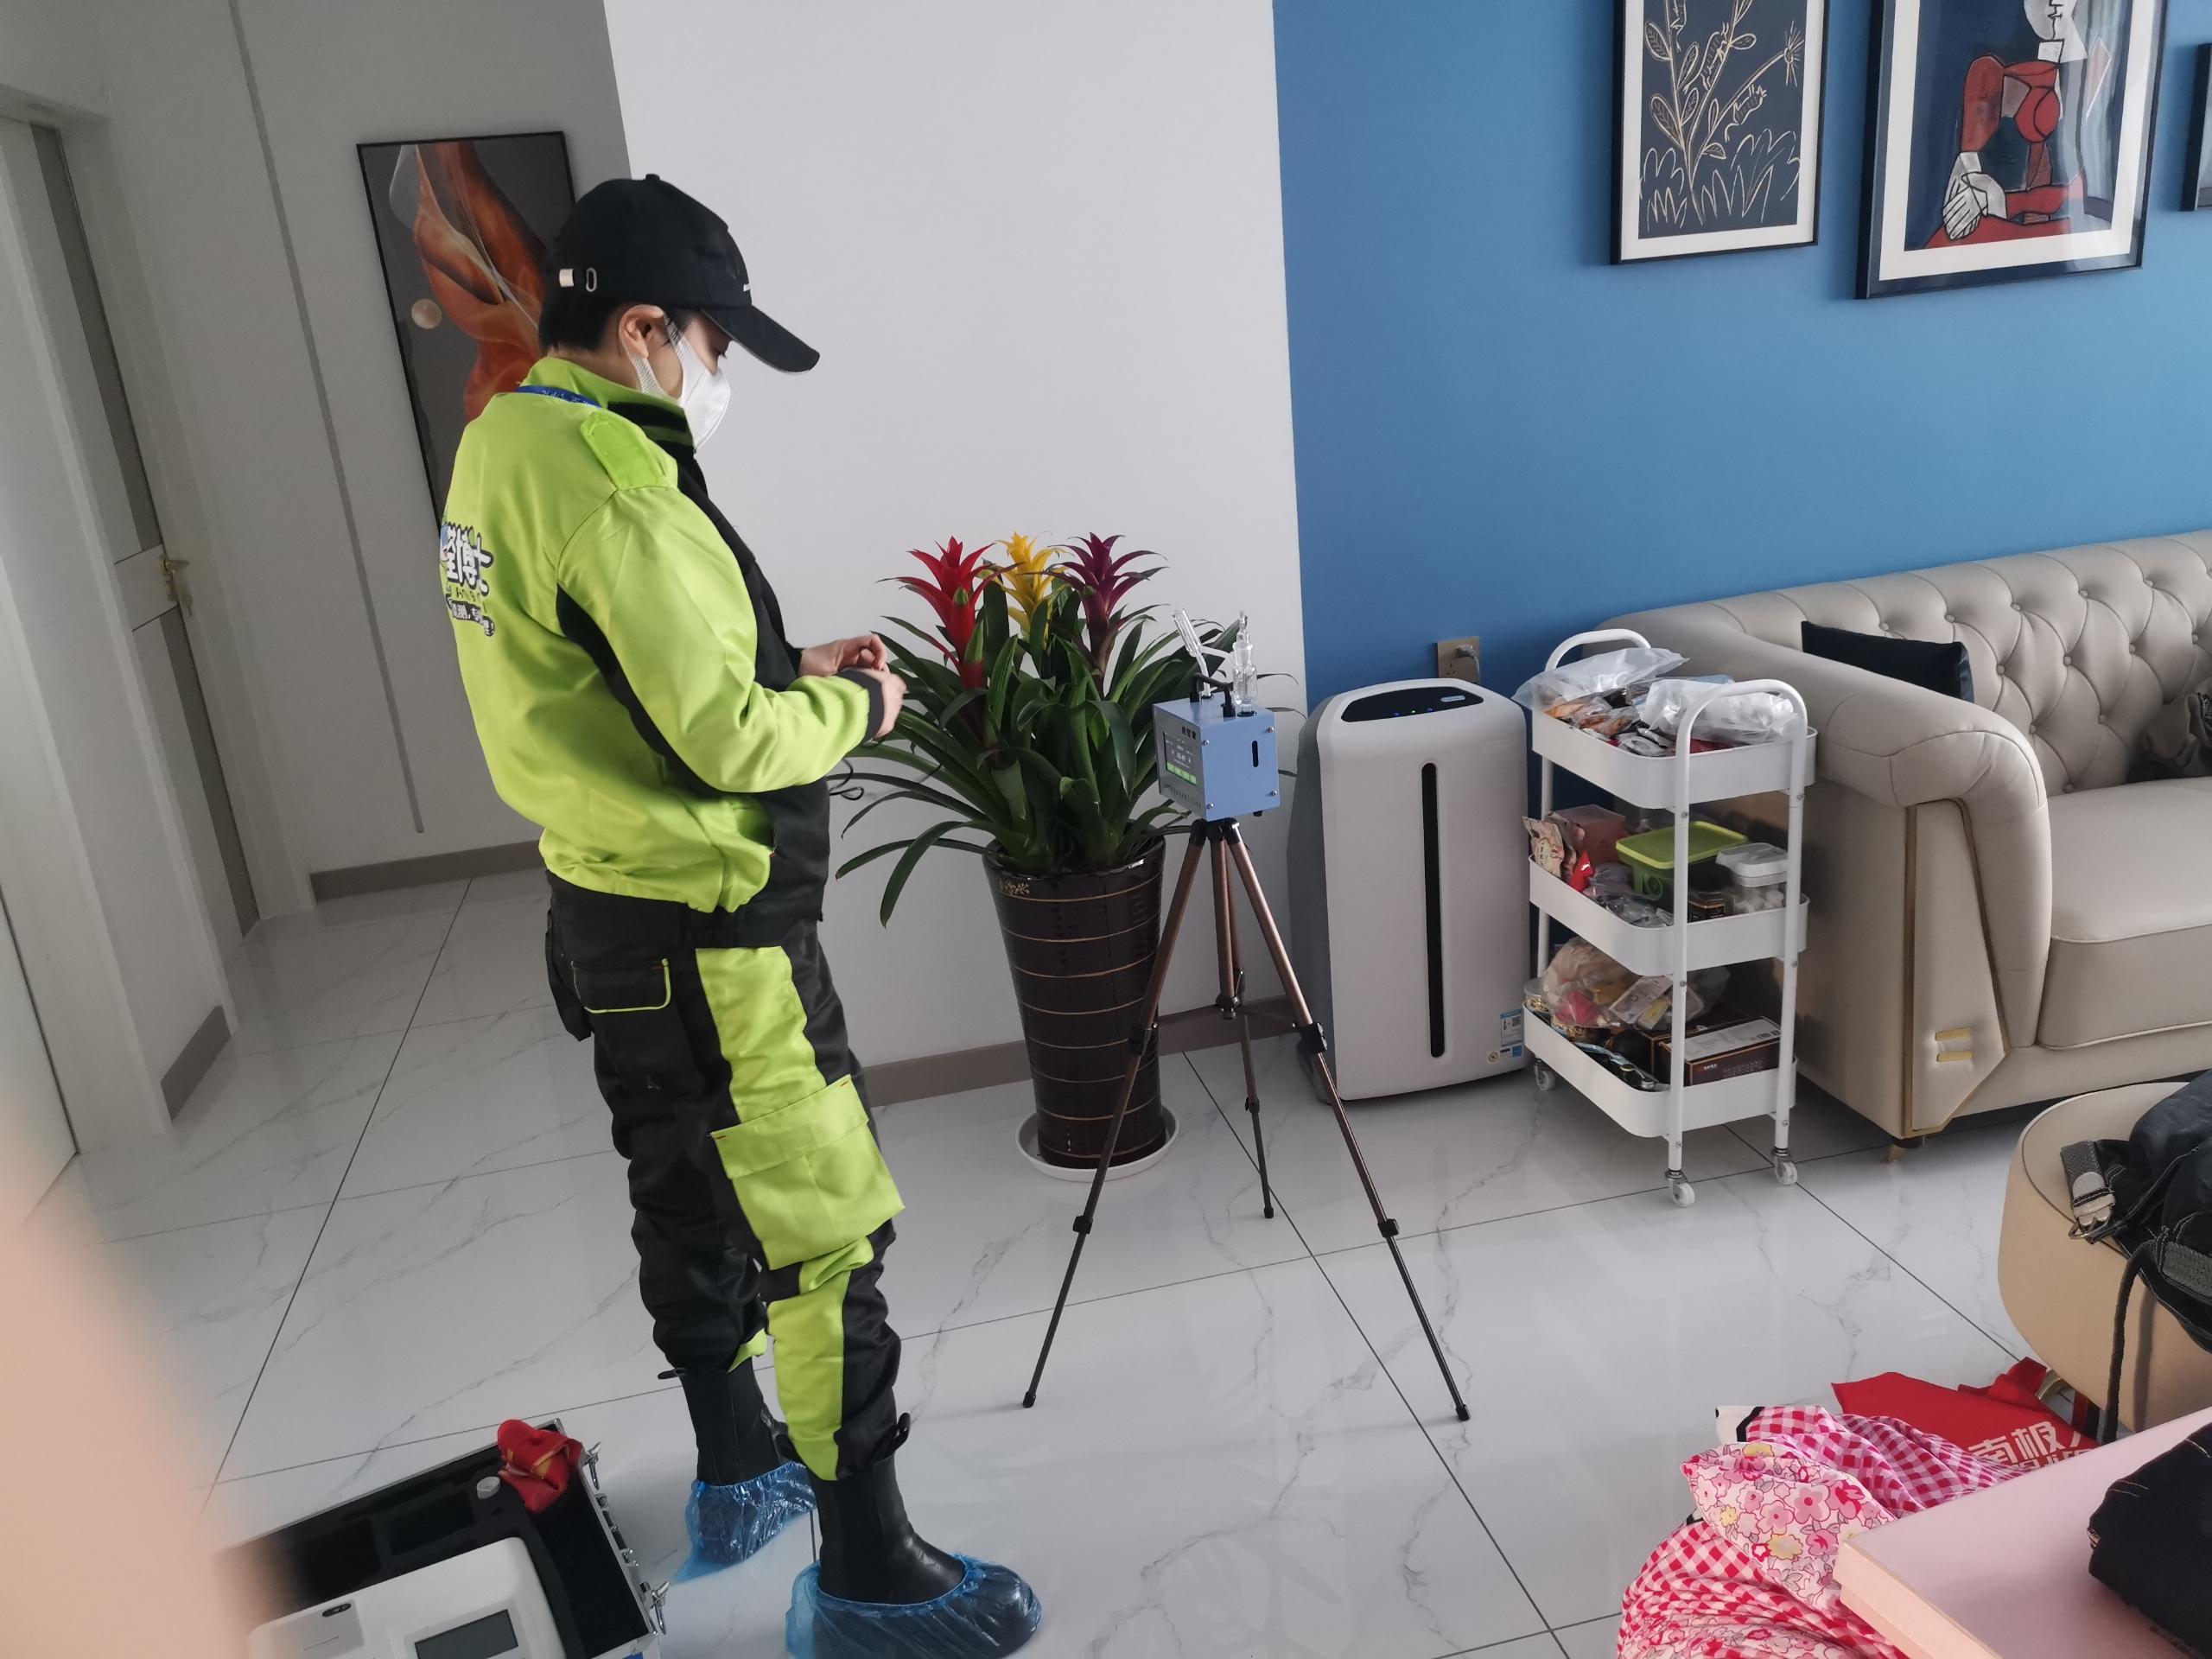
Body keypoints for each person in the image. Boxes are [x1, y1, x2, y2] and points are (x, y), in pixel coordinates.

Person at [440, 175, 1039, 1658]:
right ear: (645, 328)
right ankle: (872, 1573)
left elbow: (602, 664)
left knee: (682, 1189)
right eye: (712, 344)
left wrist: (780, 658)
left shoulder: (503, 444)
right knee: (822, 1238)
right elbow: (727, 740)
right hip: (716, 937)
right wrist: (860, 704)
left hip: (603, 909)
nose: (716, 375)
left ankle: (736, 1471)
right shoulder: (623, 492)